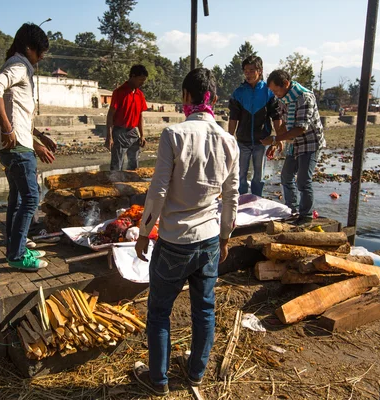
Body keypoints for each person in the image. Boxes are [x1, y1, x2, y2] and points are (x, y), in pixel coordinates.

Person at [133, 68, 239, 396]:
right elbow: (231, 197)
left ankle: (159, 380)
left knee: (160, 312)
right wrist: (225, 237)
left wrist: (143, 231)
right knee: (204, 309)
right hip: (208, 240)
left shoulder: (173, 135)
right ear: (215, 100)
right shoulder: (229, 141)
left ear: (185, 97)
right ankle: (196, 374)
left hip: (174, 241)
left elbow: (158, 191)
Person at [0, 22, 57, 270]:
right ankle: (16, 255)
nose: (41, 58)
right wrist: (6, 128)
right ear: (29, 48)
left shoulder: (17, 66)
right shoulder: (19, 65)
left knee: (17, 198)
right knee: (30, 199)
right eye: (40, 53)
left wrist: (37, 136)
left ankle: (15, 244)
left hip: (16, 145)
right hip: (17, 148)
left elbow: (16, 112)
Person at [261, 70, 326, 224]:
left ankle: (306, 216)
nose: (275, 94)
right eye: (273, 91)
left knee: (303, 180)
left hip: (310, 143)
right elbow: (283, 123)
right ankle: (292, 209)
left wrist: (276, 138)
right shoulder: (284, 99)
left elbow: (300, 128)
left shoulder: (304, 97)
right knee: (286, 176)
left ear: (286, 84)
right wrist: (277, 142)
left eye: (276, 90)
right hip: (294, 143)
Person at [228, 56, 282, 196]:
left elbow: (276, 116)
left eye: (252, 70)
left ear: (260, 71)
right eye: (246, 71)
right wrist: (229, 138)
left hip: (261, 141)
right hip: (242, 141)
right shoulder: (238, 93)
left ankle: (257, 200)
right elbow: (233, 117)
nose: (248, 74)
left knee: (258, 176)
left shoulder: (268, 92)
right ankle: (240, 203)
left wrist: (279, 138)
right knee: (240, 175)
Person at [105, 65, 148, 171]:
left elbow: (140, 116)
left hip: (133, 132)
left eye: (144, 81)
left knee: (134, 163)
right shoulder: (119, 92)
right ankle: (115, 183)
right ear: (133, 76)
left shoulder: (140, 95)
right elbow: (110, 115)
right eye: (140, 80)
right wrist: (109, 137)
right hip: (119, 132)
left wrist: (142, 135)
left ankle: (130, 183)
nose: (142, 83)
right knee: (117, 164)